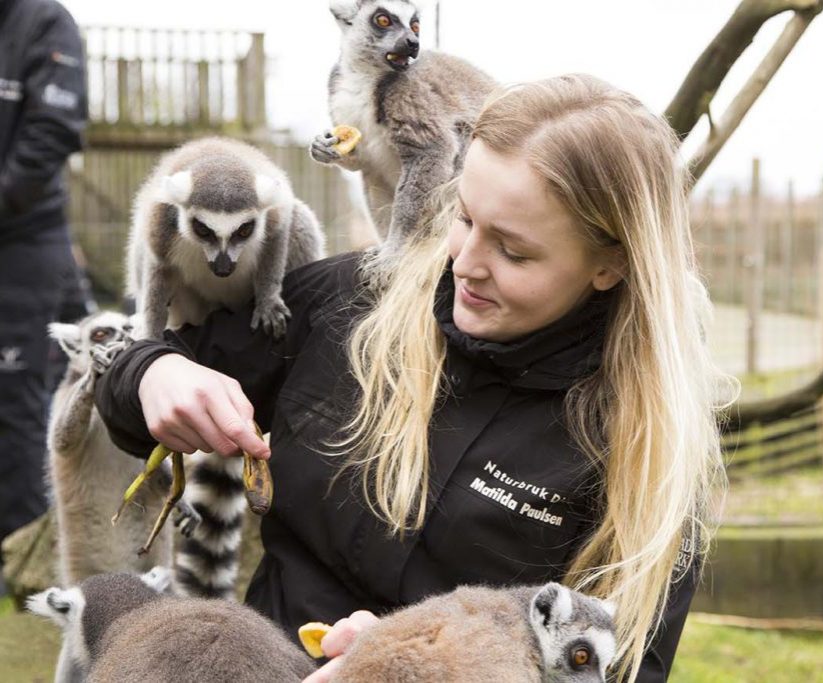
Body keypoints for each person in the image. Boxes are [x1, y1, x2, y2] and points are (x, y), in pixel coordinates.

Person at [95, 74, 737, 682]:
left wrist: (424, 661)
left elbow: (619, 666)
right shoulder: (354, 300)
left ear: (610, 265)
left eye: (513, 251)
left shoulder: (646, 447)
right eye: (463, 217)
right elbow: (125, 391)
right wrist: (156, 372)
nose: (466, 262)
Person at [0, 0, 88, 561]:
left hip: (22, 240)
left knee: (14, 398)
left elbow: (51, 132)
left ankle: (19, 559)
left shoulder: (44, 23)